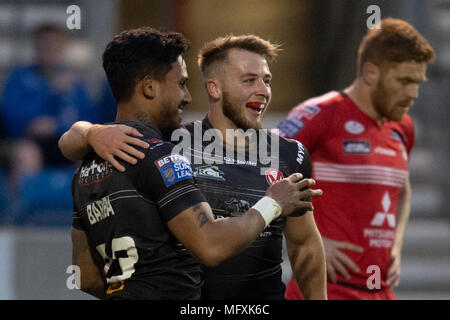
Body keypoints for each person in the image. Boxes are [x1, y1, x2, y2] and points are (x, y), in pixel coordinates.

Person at [59, 35, 327, 300]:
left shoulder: (290, 154)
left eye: (266, 80)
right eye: (249, 80)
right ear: (214, 88)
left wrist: (89, 133)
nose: (263, 90)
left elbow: (304, 244)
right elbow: (209, 244)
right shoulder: (168, 147)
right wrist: (90, 132)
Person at [275, 18, 435, 300]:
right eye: (405, 81)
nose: (413, 94)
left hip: (381, 292)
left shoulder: (403, 127)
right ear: (371, 72)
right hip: (323, 289)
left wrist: (395, 246)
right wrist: (312, 241)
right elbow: (263, 174)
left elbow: (402, 188)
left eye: (418, 83)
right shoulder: (318, 114)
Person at [0, 23, 94, 188]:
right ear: (36, 48)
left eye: (55, 48)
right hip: (28, 142)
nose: (50, 53)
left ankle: (83, 209)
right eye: (45, 47)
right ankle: (21, 210)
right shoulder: (19, 78)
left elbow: (88, 122)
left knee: (88, 158)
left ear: (62, 49)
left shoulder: (75, 84)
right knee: (26, 155)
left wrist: (58, 126)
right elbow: (10, 118)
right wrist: (48, 94)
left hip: (65, 142)